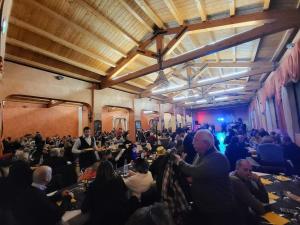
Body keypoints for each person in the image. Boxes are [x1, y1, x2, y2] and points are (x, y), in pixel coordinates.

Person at [173, 129, 236, 225]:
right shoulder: (200, 155)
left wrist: (180, 161)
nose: (193, 142)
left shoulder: (218, 158)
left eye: (196, 140)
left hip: (217, 209)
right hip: (204, 207)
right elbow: (196, 174)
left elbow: (195, 171)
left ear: (206, 143)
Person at [81, 160, 138, 225]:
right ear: (112, 170)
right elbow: (124, 191)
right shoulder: (118, 179)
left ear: (98, 171)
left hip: (101, 220)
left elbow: (84, 208)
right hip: (121, 217)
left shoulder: (93, 185)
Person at [230, 159, 269, 225]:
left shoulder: (246, 179)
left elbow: (264, 200)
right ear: (237, 169)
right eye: (245, 170)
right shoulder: (235, 181)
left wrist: (259, 182)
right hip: (235, 218)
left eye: (250, 170)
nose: (248, 173)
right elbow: (258, 207)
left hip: (244, 213)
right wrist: (261, 207)